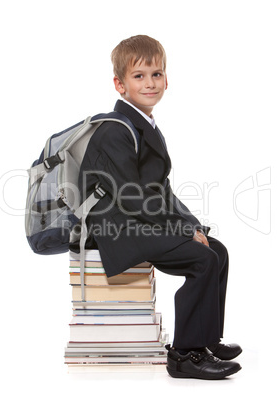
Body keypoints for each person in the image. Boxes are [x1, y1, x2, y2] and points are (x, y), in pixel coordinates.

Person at [78, 35, 242, 380]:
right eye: (139, 76)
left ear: (167, 79)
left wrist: (194, 225)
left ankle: (207, 339)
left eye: (156, 74)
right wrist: (182, 231)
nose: (150, 83)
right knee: (203, 260)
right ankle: (185, 355)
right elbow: (130, 196)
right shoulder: (115, 129)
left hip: (138, 220)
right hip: (117, 228)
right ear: (119, 84)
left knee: (217, 251)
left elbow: (161, 190)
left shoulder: (144, 124)